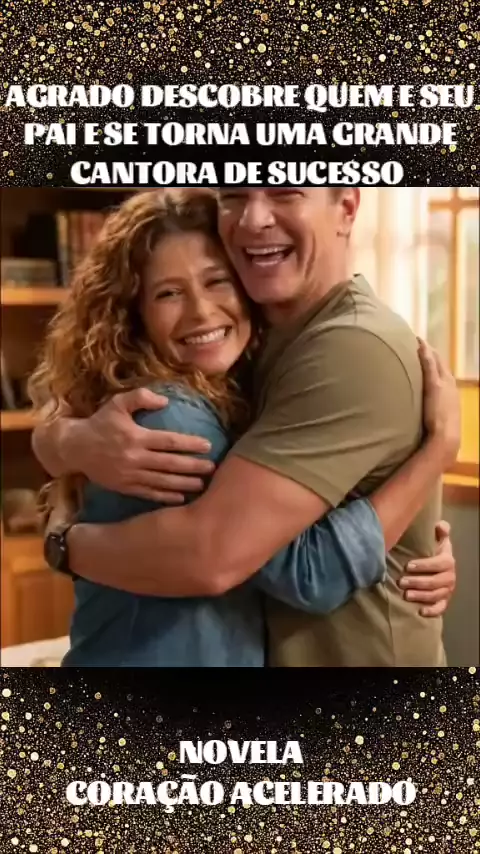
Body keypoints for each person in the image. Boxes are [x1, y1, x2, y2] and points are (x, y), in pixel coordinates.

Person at [32, 189, 460, 667]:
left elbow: (241, 550)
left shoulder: (331, 349)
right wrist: (436, 454)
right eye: (168, 293)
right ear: (132, 313)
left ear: (346, 208)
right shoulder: (172, 413)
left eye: (216, 281)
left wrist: (66, 533)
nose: (201, 311)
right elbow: (280, 566)